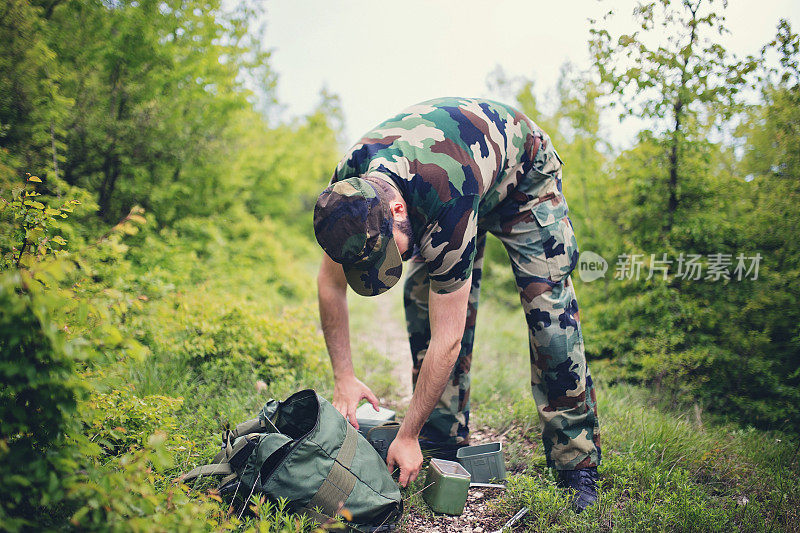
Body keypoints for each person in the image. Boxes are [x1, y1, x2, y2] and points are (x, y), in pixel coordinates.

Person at [313, 97, 601, 511]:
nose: (383, 268)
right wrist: (344, 377)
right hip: (457, 184)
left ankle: (576, 462)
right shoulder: (347, 194)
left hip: (523, 178)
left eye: (385, 254)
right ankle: (442, 432)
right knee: (419, 302)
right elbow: (329, 284)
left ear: (398, 211)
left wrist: (406, 434)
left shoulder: (445, 192)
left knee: (549, 318)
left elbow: (450, 336)